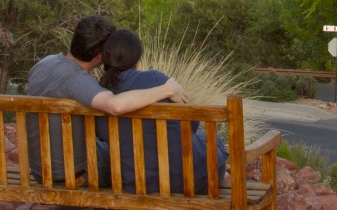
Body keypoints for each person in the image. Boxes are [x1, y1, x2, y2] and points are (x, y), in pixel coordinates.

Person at [24, 16, 188, 187]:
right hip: (73, 174)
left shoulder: (44, 64)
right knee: (127, 160)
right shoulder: (77, 80)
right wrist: (167, 89)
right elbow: (116, 105)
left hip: (39, 170)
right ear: (101, 55)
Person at [95, 28, 228, 194]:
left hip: (133, 184)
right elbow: (191, 124)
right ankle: (229, 172)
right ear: (136, 60)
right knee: (213, 139)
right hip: (188, 181)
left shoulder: (98, 96)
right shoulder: (157, 81)